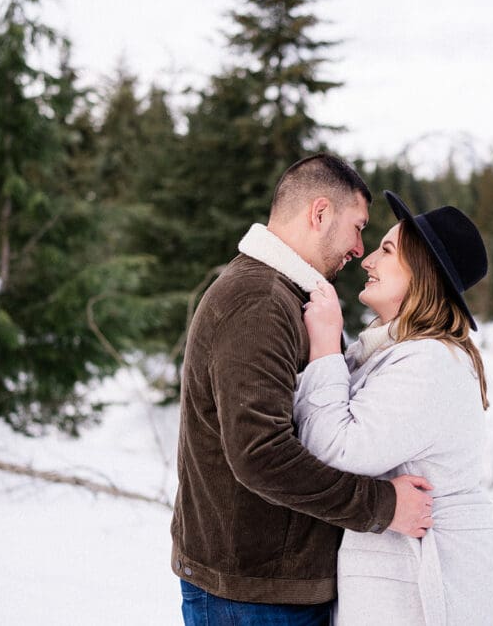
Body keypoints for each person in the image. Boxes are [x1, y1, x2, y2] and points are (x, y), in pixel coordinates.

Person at [171, 155, 436, 626]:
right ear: (319, 213)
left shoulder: (290, 298)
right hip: (250, 595)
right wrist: (382, 505)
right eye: (357, 227)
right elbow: (259, 454)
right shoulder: (259, 301)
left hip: (268, 588)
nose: (359, 248)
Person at [297, 191, 493, 625]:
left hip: (438, 586)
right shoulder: (395, 354)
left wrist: (325, 347)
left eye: (386, 250)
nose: (367, 261)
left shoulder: (430, 362)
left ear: (423, 274)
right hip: (410, 579)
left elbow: (334, 450)